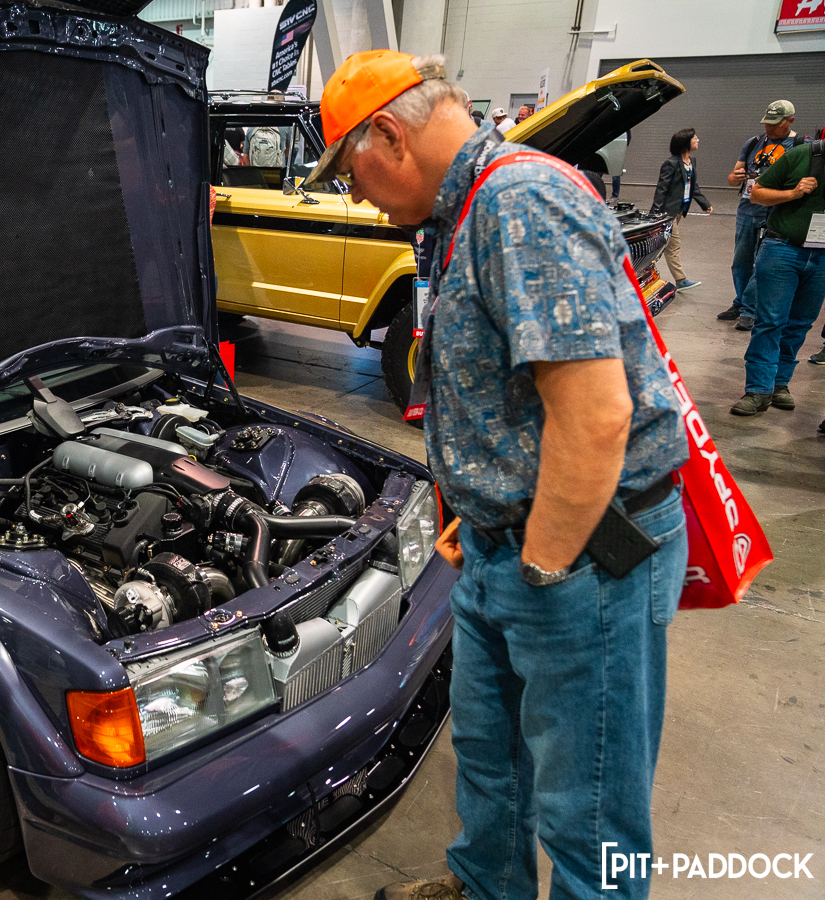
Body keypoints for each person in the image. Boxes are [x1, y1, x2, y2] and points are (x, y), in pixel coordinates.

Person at [303, 49, 688, 900]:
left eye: (350, 173)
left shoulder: (521, 203)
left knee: (590, 805)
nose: (354, 196)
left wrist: (542, 564)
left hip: (581, 554)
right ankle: (487, 887)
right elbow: (501, 391)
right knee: (490, 757)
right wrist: (476, 508)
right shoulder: (465, 210)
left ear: (388, 134)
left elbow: (596, 417)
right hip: (501, 542)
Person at [730, 139, 824, 417]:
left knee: (800, 323)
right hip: (783, 248)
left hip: (821, 256)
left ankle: (780, 383)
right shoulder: (801, 155)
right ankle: (758, 389)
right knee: (770, 321)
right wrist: (793, 193)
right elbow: (757, 193)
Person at [719, 100, 803, 330]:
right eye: (767, 123)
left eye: (775, 124)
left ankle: (749, 308)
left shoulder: (799, 146)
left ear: (790, 121)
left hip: (775, 213)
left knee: (762, 263)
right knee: (741, 261)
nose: (769, 128)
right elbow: (733, 177)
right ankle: (741, 302)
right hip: (747, 210)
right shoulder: (754, 142)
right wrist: (734, 178)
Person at [650, 127, 713, 291]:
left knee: (663, 244)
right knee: (673, 245)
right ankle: (680, 280)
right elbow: (661, 190)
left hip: (679, 211)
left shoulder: (691, 162)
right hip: (667, 212)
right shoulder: (671, 164)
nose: (698, 140)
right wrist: (655, 214)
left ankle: (647, 271)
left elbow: (693, 186)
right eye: (695, 138)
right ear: (686, 143)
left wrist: (704, 203)